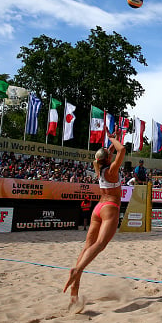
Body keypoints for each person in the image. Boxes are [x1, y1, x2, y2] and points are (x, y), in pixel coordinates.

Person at [63, 127, 126, 312]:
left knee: (87, 247)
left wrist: (109, 144)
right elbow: (121, 150)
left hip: (97, 208)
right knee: (99, 245)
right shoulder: (112, 171)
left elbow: (109, 153)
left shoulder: (97, 166)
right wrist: (113, 138)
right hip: (110, 207)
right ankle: (76, 270)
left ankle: (74, 290)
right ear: (108, 159)